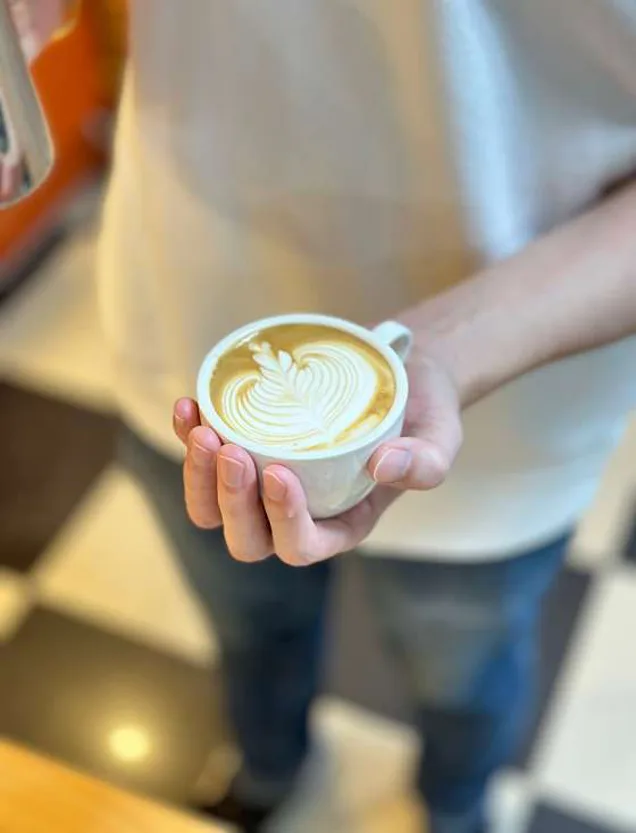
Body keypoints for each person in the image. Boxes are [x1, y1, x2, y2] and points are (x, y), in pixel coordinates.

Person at [7, 3, 636, 832]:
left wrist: (443, 354)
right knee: (249, 628)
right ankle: (270, 764)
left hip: (507, 401)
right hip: (187, 319)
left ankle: (454, 801)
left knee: (463, 676)